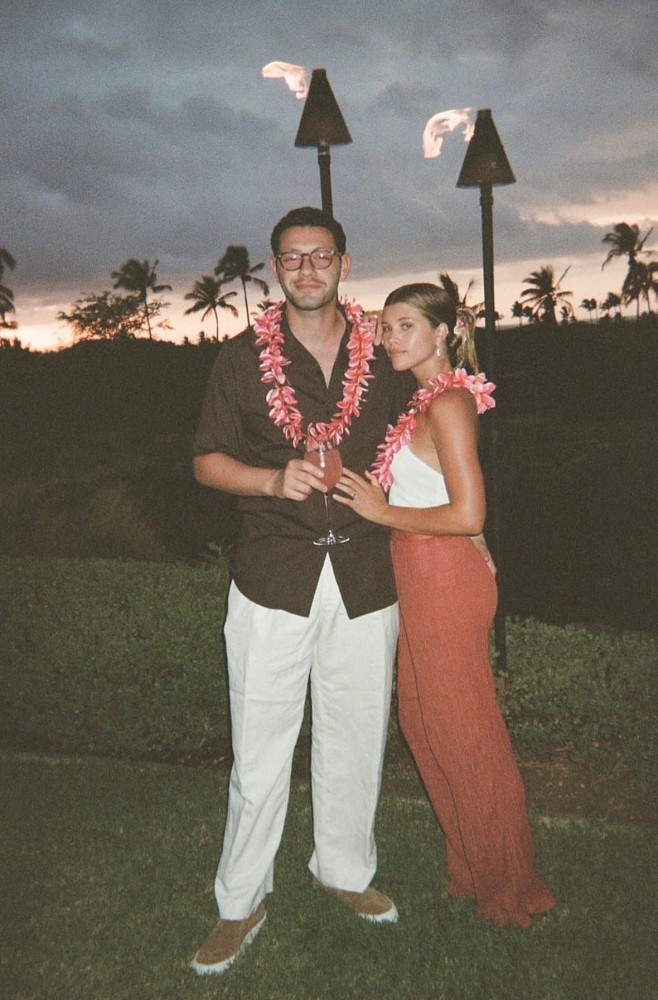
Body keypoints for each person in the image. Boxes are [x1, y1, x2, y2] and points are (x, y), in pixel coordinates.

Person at [190, 207, 411, 975]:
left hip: (366, 576)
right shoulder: (239, 360)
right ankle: (240, 902)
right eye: (292, 258)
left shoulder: (383, 351)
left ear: (344, 264)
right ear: (276, 268)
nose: (307, 269)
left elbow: (433, 420)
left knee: (357, 734)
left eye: (321, 256)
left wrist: (461, 520)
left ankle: (343, 870)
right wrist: (269, 480)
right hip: (272, 576)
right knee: (260, 751)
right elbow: (206, 460)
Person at [334, 282, 556, 928]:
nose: (390, 338)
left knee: (463, 729)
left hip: (442, 578)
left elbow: (467, 513)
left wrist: (382, 512)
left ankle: (510, 887)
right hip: (422, 572)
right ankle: (474, 869)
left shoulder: (452, 403)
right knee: (423, 722)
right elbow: (452, 499)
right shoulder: (425, 402)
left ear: (444, 331)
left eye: (405, 325)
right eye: (385, 326)